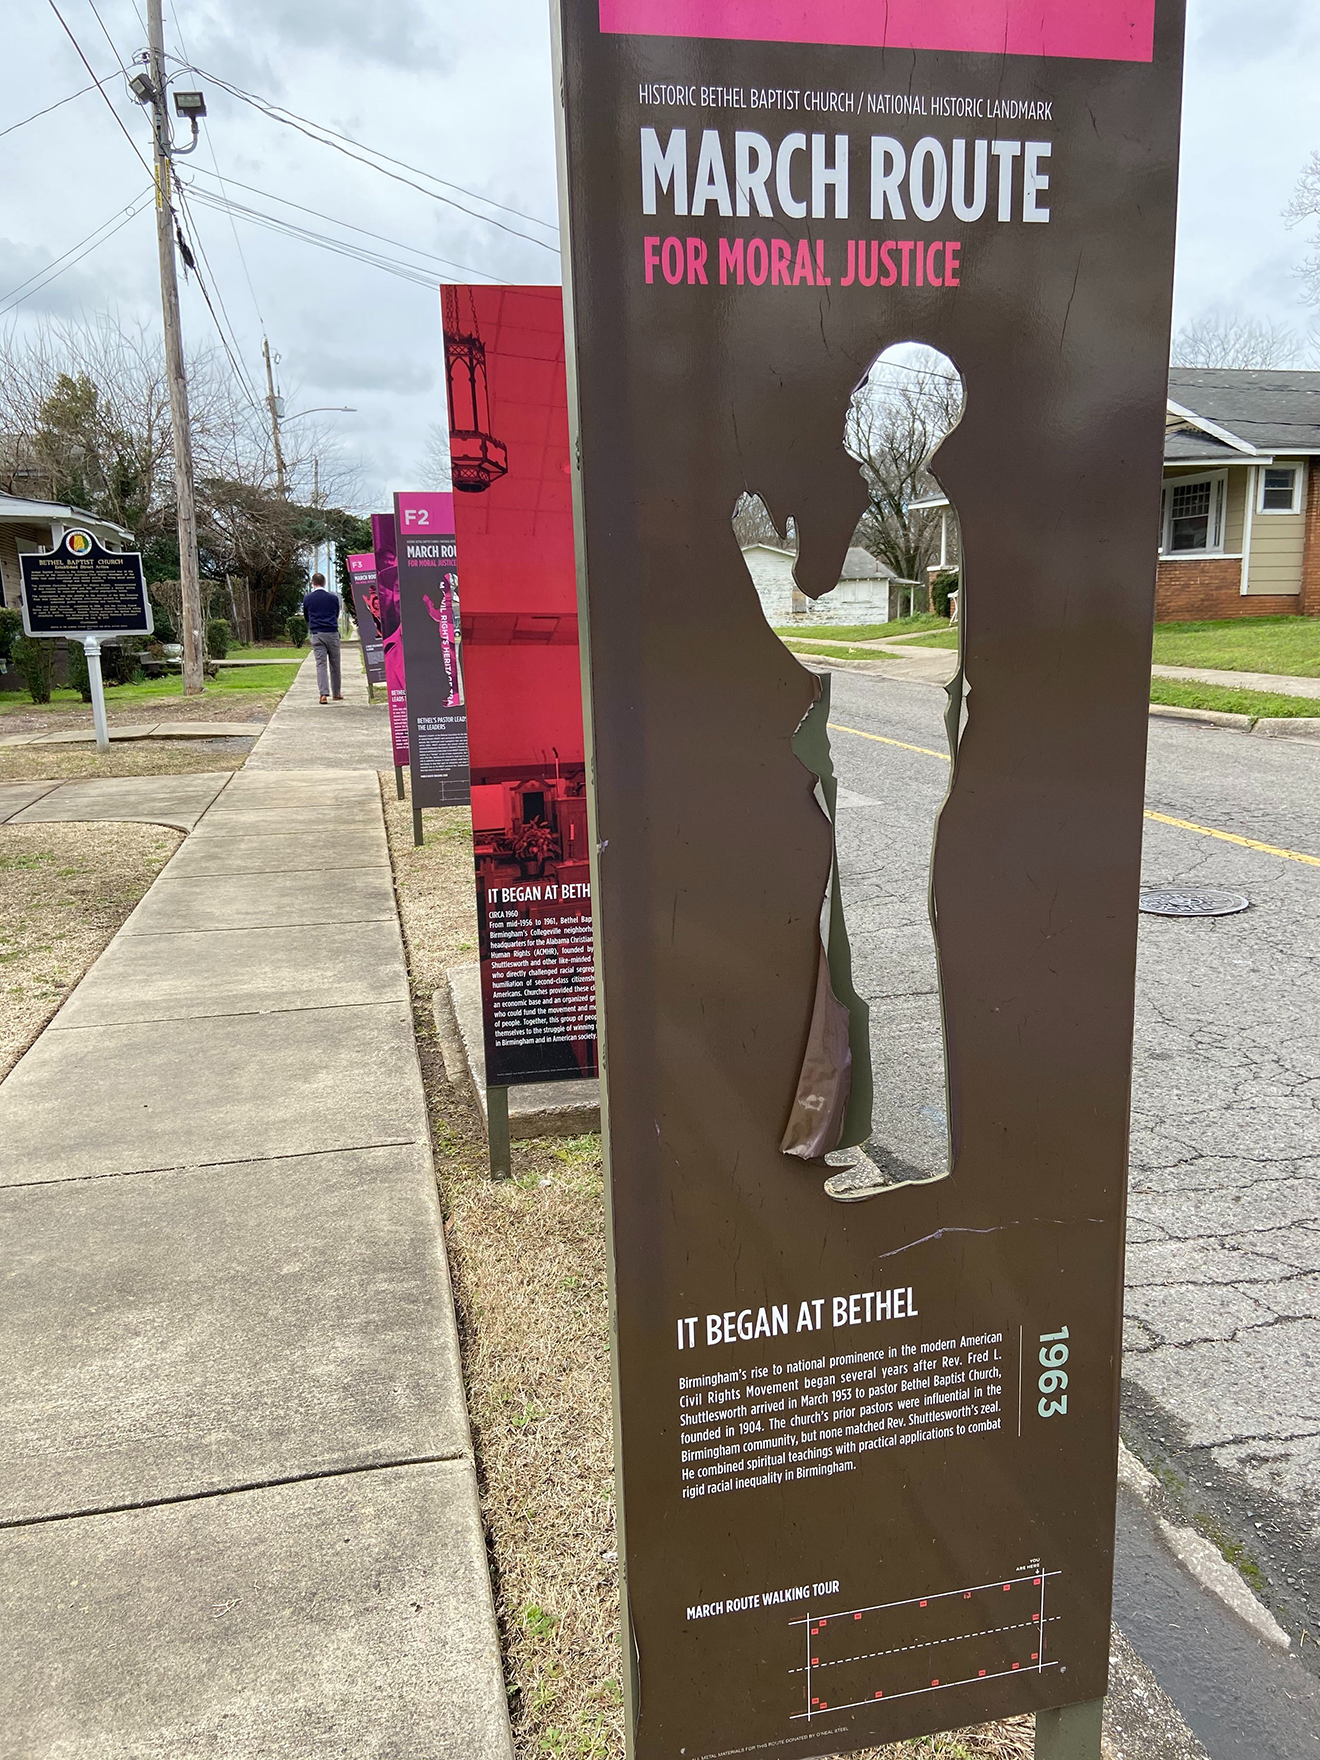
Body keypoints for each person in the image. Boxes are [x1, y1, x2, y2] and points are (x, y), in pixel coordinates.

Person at [302, 573, 343, 703]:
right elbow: (336, 613)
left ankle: (323, 694)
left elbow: (306, 616)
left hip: (317, 633)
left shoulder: (308, 598)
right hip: (332, 632)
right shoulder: (333, 598)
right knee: (335, 664)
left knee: (321, 664)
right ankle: (336, 692)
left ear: (313, 583)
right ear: (324, 582)